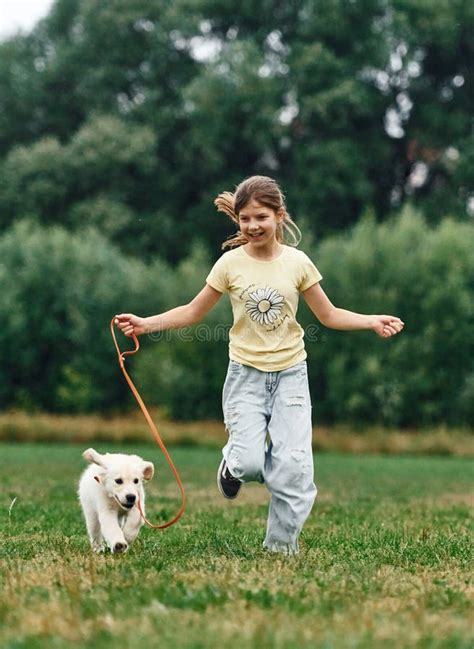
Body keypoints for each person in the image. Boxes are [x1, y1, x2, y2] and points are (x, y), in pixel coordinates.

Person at [115, 175, 404, 555]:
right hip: (246, 376)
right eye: (244, 219)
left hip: (291, 377)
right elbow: (192, 311)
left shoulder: (298, 263)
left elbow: (329, 314)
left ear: (279, 216)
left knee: (295, 469)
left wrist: (370, 320)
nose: (252, 226)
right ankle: (231, 466)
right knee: (250, 462)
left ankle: (280, 549)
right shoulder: (229, 264)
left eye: (261, 217)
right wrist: (145, 324)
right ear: (237, 220)